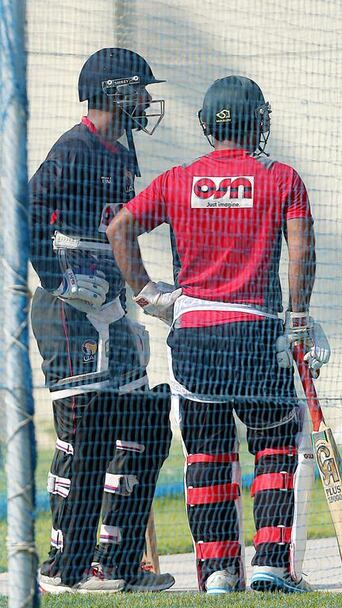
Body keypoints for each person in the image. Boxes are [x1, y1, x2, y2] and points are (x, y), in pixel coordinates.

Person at [107, 75, 329, 594]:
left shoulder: (179, 178)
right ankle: (273, 563)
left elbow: (119, 228)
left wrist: (147, 294)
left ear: (208, 126)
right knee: (274, 448)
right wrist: (297, 316)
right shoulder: (282, 177)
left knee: (207, 456)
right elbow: (301, 252)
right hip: (256, 333)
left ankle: (218, 573)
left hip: (195, 336)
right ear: (259, 122)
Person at [29, 47, 174, 593]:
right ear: (114, 90)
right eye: (139, 89)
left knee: (140, 425)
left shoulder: (123, 147)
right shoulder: (74, 147)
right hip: (71, 310)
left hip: (113, 304)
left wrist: (143, 292)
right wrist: (56, 278)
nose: (145, 100)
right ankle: (63, 569)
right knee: (86, 432)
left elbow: (121, 226)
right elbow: (23, 213)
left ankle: (114, 565)